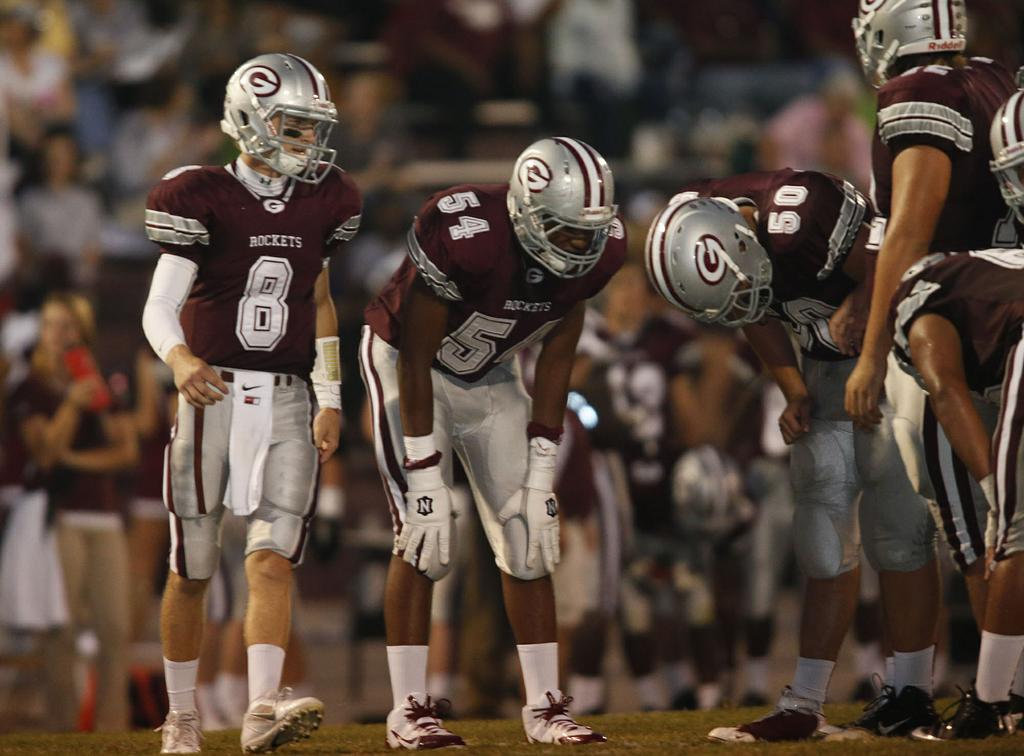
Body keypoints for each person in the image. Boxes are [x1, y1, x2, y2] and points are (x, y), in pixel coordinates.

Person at [645, 168, 938, 740]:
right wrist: (793, 390)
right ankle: (804, 701)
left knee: (897, 527)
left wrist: (868, 345)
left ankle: (913, 694)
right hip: (827, 364)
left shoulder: (801, 216)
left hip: (897, 349)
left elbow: (896, 262)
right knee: (821, 528)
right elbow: (749, 310)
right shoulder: (700, 220)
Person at [360, 136, 623, 748]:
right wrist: (425, 473)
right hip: (407, 367)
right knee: (425, 535)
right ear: (527, 212)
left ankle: (544, 708)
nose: (580, 247)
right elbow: (416, 356)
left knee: (529, 533)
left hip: (493, 375)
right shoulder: (465, 232)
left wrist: (541, 474)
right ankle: (407, 710)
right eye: (566, 231)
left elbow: (557, 360)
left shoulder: (600, 251)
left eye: (589, 233)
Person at [140, 53, 362, 754]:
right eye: (294, 125)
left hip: (290, 396)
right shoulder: (200, 195)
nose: (308, 140)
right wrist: (179, 359)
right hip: (214, 395)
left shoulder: (328, 199)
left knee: (273, 560)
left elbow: (321, 303)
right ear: (250, 120)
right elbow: (159, 305)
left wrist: (330, 395)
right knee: (193, 567)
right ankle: (182, 715)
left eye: (312, 126)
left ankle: (261, 707)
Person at [844, 0, 1018, 644]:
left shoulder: (918, 92)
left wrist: (870, 356)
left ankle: (1004, 684)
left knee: (979, 528)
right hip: (1009, 315)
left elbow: (912, 228)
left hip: (956, 325)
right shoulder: (992, 76)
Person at [889, 87, 1024, 740]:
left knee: (1012, 531)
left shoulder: (925, 290)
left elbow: (943, 387)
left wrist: (995, 488)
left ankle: (991, 701)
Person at [10, 292, 138, 731]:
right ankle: (62, 729)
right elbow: (45, 453)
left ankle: (112, 727)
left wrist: (78, 453)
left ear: (83, 332)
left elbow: (126, 451)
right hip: (59, 514)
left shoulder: (98, 382)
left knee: (115, 628)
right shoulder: (32, 388)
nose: (58, 335)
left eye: (67, 326)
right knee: (61, 629)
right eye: (50, 325)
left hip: (103, 515)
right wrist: (71, 405)